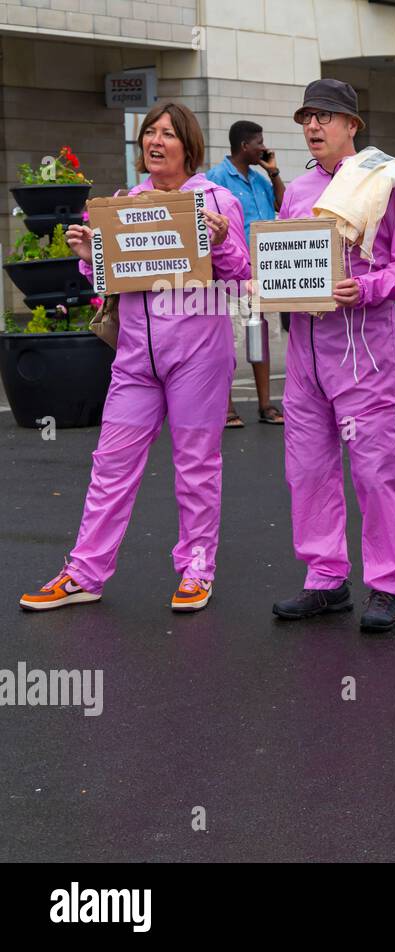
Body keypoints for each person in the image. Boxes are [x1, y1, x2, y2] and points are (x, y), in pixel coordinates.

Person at [20, 101, 246, 613]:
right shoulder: (122, 202)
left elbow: (239, 275)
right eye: (149, 132)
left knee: (196, 466)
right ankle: (84, 572)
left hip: (198, 356)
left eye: (167, 133)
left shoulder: (216, 200)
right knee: (110, 463)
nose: (155, 141)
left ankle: (196, 569)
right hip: (134, 358)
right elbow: (107, 281)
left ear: (188, 145)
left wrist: (221, 242)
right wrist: (87, 257)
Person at [269, 79, 395, 634]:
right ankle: (325, 579)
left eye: (325, 117)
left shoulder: (386, 181)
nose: (313, 127)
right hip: (304, 352)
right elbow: (283, 259)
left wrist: (371, 286)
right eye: (307, 117)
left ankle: (386, 584)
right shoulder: (296, 190)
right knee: (307, 470)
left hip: (363, 351)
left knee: (375, 471)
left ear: (351, 126)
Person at [208, 119, 285, 426]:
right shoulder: (215, 179)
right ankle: (226, 409)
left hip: (263, 271)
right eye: (259, 143)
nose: (264, 148)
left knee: (261, 335)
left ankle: (266, 405)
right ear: (244, 146)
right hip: (231, 272)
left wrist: (274, 171)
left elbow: (282, 203)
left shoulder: (260, 179)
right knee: (229, 340)